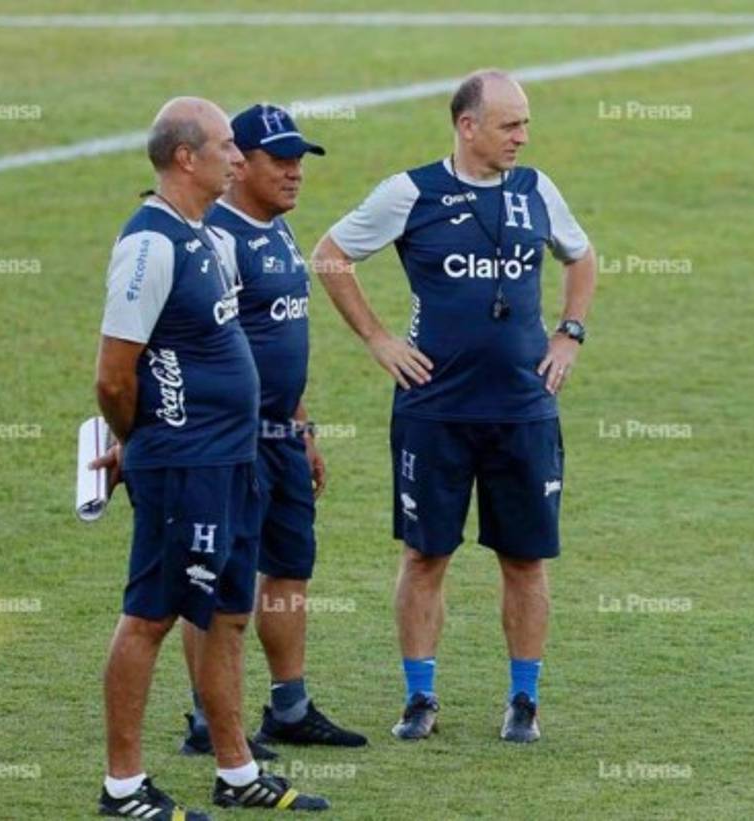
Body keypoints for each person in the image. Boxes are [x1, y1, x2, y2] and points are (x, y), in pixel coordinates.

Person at [310, 70, 597, 743]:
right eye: (509, 125)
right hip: (433, 412)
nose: (522, 137)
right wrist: (380, 339)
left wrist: (570, 332)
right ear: (468, 127)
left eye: (525, 123)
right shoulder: (412, 192)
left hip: (524, 411)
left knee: (525, 559)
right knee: (423, 555)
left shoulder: (536, 191)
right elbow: (329, 256)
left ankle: (523, 699)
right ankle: (419, 696)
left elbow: (581, 258)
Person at [92, 96, 327, 817]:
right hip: (183, 462)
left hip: (235, 461)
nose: (238, 157)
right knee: (151, 616)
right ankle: (123, 786)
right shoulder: (149, 246)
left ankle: (236, 771)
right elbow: (112, 374)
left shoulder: (206, 238)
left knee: (225, 613)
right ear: (186, 158)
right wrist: (139, 440)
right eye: (226, 146)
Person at [178, 104, 367, 757]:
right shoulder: (216, 240)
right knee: (217, 576)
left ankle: (289, 705)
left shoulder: (276, 229)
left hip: (281, 434)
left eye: (299, 160)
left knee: (290, 567)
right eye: (278, 160)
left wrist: (303, 425)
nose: (294, 173)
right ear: (238, 165)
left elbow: (279, 341)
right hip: (230, 438)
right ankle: (208, 719)